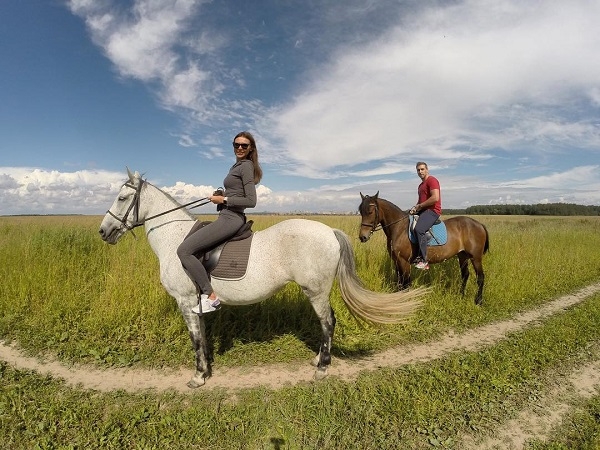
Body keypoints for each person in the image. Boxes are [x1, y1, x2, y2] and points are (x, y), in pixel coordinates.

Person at [177, 131, 263, 313]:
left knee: (184, 250)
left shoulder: (246, 166)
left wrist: (223, 201)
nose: (239, 148)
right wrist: (223, 196)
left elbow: (251, 201)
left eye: (244, 145)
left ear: (250, 149)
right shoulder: (237, 166)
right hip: (226, 215)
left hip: (231, 218)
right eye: (236, 144)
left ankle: (210, 297)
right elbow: (237, 194)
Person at [409, 161, 441, 270]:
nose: (420, 171)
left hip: (433, 211)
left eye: (422, 169)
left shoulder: (432, 180)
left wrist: (420, 206)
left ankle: (424, 260)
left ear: (427, 169)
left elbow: (435, 198)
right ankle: (415, 255)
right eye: (418, 170)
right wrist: (415, 208)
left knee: (419, 229)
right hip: (423, 211)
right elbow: (420, 201)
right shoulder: (420, 186)